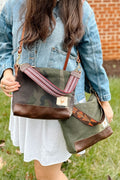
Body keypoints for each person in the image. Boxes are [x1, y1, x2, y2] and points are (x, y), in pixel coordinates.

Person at [0, 0, 113, 179]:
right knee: (42, 167)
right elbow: (4, 43)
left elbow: (92, 59)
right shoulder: (14, 5)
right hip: (27, 100)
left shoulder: (82, 9)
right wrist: (6, 72)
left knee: (48, 174)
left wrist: (103, 100)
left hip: (62, 105)